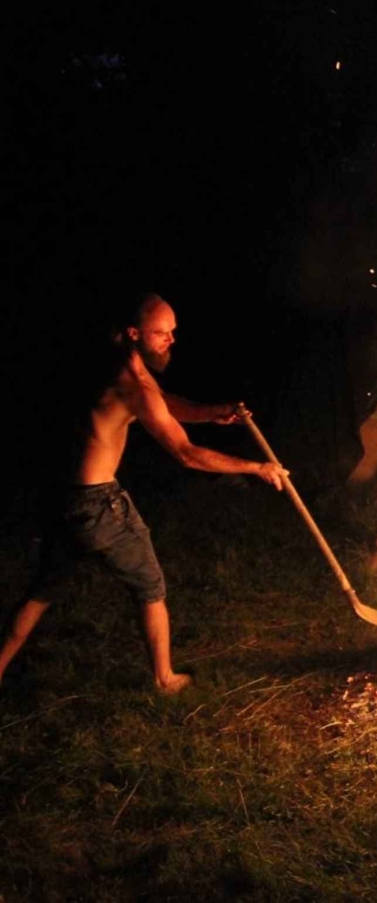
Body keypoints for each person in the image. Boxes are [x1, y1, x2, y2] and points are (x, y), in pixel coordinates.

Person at [0, 294, 285, 694]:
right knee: (150, 585)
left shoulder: (117, 364)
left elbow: (163, 404)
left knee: (44, 588)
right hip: (99, 504)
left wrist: (211, 413)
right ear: (134, 333)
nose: (170, 341)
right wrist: (257, 467)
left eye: (173, 332)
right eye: (160, 333)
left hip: (67, 496)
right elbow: (186, 454)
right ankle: (164, 679)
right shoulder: (134, 383)